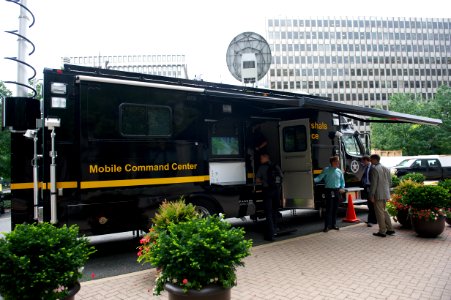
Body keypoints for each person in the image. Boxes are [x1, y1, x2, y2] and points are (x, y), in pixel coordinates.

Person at [314, 156, 345, 232]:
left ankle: (333, 225)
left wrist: (342, 188)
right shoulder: (326, 170)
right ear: (332, 162)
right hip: (328, 190)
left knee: (335, 209)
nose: (338, 163)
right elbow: (319, 178)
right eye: (337, 161)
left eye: (338, 161)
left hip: (337, 191)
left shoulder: (339, 171)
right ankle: (326, 226)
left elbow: (342, 181)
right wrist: (312, 180)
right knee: (329, 209)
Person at [256, 153, 283, 241]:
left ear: (265, 158)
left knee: (268, 212)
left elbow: (257, 180)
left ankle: (270, 234)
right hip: (276, 191)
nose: (260, 160)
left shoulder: (262, 167)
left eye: (261, 158)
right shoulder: (276, 166)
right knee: (275, 210)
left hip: (267, 191)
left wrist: (263, 180)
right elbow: (281, 177)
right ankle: (275, 228)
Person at [369, 154, 395, 237]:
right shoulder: (386, 168)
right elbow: (390, 182)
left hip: (378, 194)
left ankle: (382, 231)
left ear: (375, 160)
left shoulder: (374, 169)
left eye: (371, 159)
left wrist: (371, 195)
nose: (370, 161)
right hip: (385, 193)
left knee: (379, 213)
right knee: (384, 211)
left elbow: (374, 184)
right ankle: (390, 229)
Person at [361, 155, 377, 227]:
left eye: (363, 161)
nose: (362, 163)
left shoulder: (372, 167)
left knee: (371, 204)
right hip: (367, 187)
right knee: (370, 204)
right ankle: (373, 220)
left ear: (367, 160)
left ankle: (371, 220)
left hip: (371, 187)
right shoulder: (366, 167)